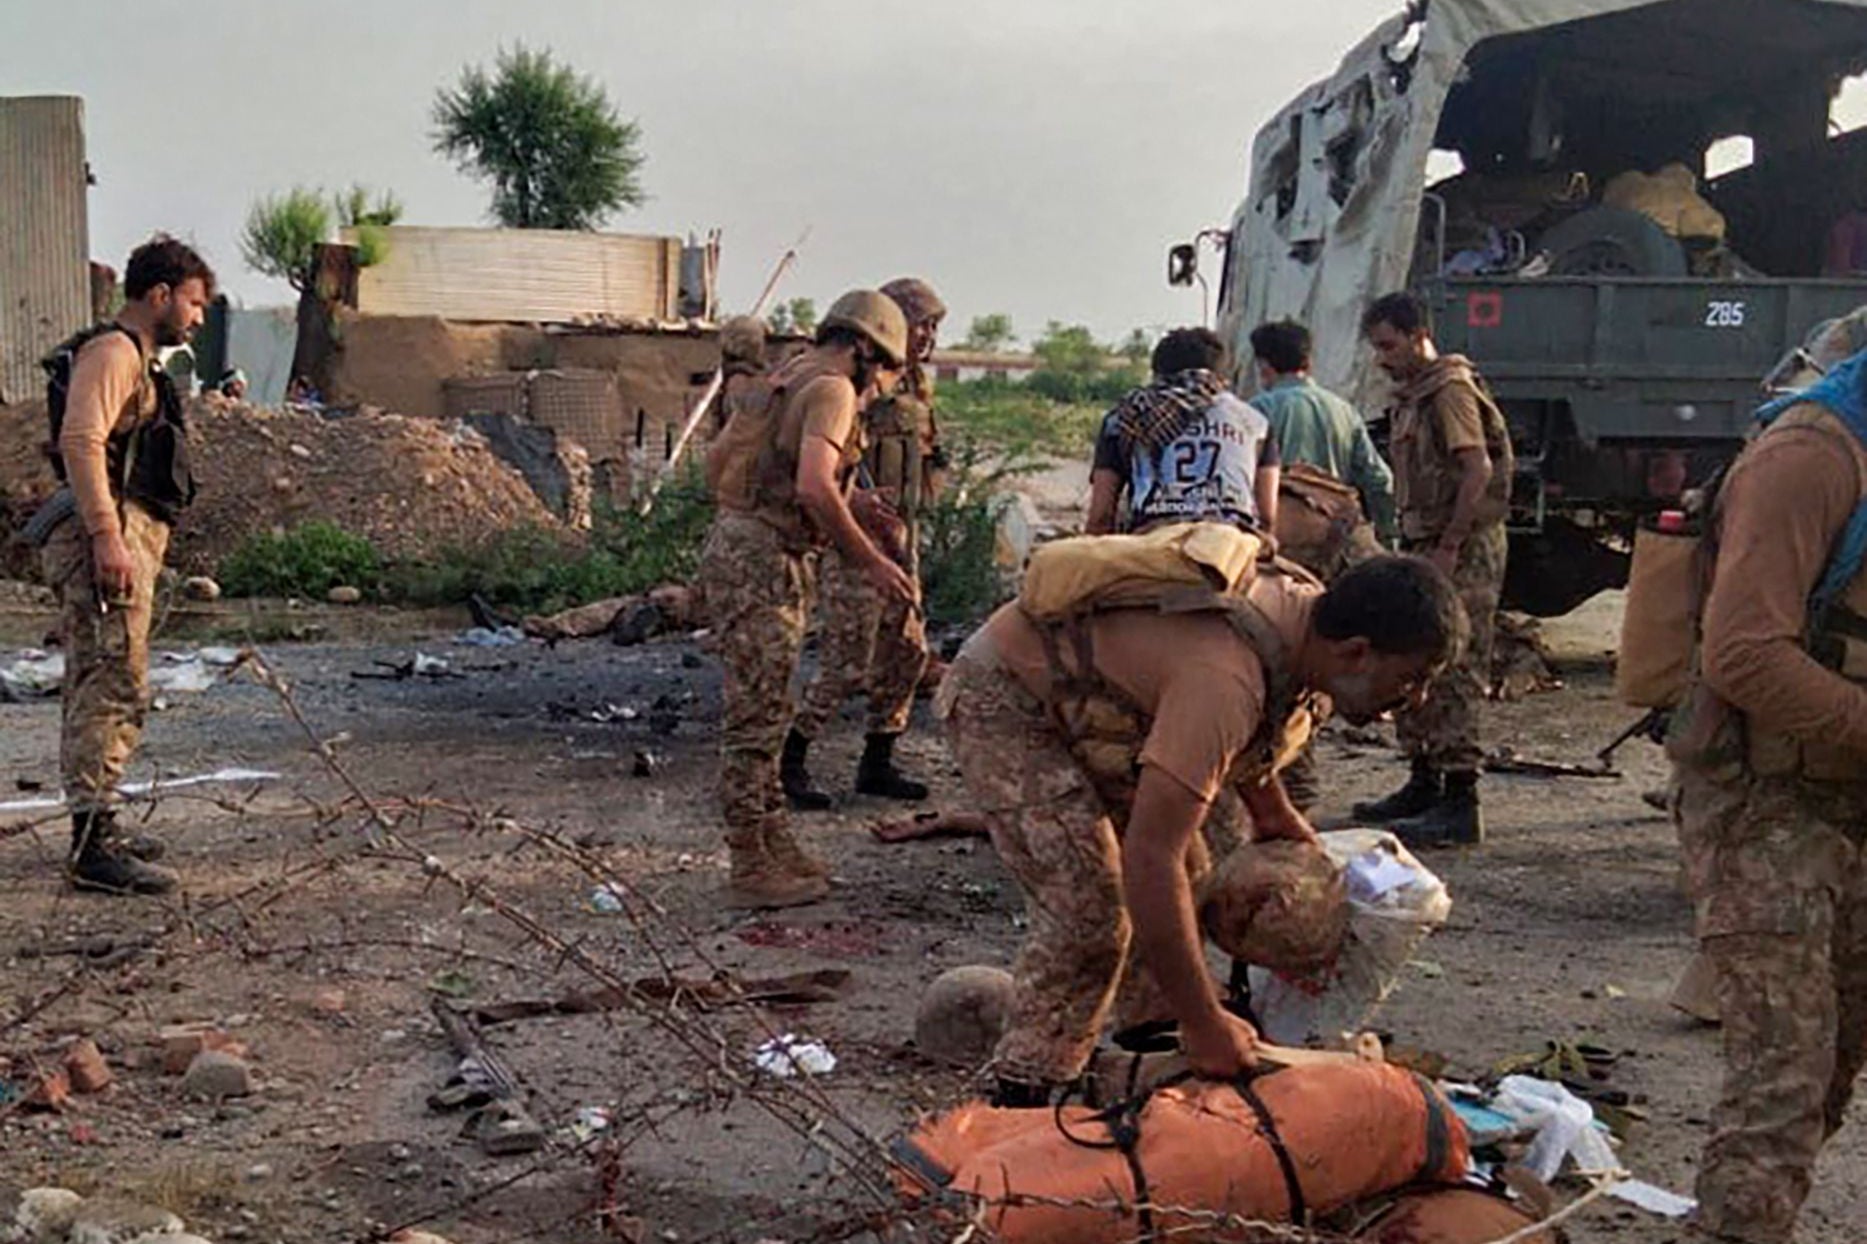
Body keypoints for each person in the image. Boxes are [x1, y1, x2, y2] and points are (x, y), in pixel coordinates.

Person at [939, 555, 1464, 1105]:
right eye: (1411, 680)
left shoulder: (1305, 625)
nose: (1416, 699)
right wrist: (1205, 1022)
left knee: (1196, 873)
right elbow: (1150, 855)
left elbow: (1259, 727)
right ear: (1357, 652)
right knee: (1093, 905)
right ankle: (1028, 1089)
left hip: (1102, 701)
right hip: (1008, 697)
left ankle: (1150, 1033)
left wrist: (1274, 817)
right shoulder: (1222, 681)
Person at [1666, 350, 1867, 1243]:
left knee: (1829, 1067)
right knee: (1781, 1080)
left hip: (1849, 789)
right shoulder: (1813, 455)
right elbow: (1741, 652)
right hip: (1769, 804)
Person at [698, 290, 918, 909]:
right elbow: (814, 487)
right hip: (766, 557)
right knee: (755, 720)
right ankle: (748, 865)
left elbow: (746, 467)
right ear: (867, 350)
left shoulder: (789, 372)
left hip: (747, 545)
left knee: (767, 706)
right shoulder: (833, 390)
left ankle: (773, 842)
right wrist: (870, 560)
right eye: (885, 367)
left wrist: (849, 506)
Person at [32, 235, 215, 895]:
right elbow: (80, 439)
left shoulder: (138, 359)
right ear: (159, 294)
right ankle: (92, 846)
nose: (198, 318)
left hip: (119, 532)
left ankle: (97, 821)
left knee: (101, 677)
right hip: (100, 537)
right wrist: (108, 536)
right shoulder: (114, 352)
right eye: (193, 303)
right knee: (111, 681)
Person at [1352, 292, 1512, 847]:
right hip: (1429, 538)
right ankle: (1423, 781)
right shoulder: (1416, 394)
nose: (1382, 358)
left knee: (1458, 662)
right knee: (1419, 658)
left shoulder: (1448, 392)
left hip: (1459, 545)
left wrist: (1450, 543)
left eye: (1390, 345)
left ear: (1419, 334)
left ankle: (1460, 798)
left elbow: (1476, 469)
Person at [787, 278, 947, 808]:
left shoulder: (916, 385)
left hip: (901, 536)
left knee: (907, 651)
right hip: (856, 538)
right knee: (847, 659)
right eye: (920, 323)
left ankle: (878, 761)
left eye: (932, 327)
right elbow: (826, 466)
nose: (927, 336)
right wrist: (855, 511)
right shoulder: (854, 381)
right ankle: (791, 758)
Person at [1086, 328, 1279, 537]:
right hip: (1229, 539)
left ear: (1158, 373)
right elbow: (1268, 516)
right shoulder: (1255, 422)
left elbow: (1101, 516)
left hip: (1152, 539)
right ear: (1220, 375)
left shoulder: (1126, 416)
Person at [1247, 319, 1397, 547]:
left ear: (1264, 365)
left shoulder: (1257, 410)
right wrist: (1387, 535)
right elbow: (1380, 480)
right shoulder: (1346, 412)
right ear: (1308, 362)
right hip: (1334, 539)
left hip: (1281, 537)